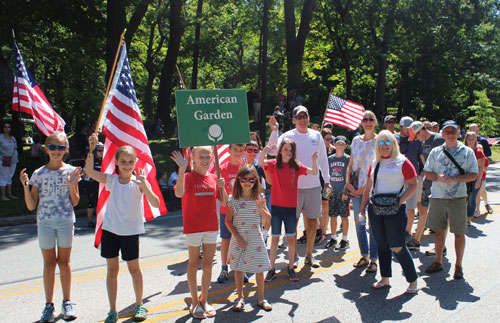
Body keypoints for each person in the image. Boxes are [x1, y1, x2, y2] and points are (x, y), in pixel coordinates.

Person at [85, 133, 160, 323]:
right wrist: (92, 149)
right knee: (112, 270)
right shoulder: (112, 180)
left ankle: (139, 304)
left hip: (130, 233)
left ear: (135, 162)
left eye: (131, 161)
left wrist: (145, 186)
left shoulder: (139, 182)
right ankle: (112, 310)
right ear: (117, 162)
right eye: (123, 161)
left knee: (135, 270)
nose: (127, 165)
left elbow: (156, 202)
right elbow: (89, 172)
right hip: (110, 232)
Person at [19, 132, 81, 322]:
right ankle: (48, 305)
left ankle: (67, 302)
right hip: (45, 222)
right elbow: (31, 205)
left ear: (66, 150)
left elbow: (75, 201)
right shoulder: (39, 173)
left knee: (64, 263)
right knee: (49, 264)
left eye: (61, 148)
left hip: (65, 221)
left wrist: (72, 184)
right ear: (46, 149)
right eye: (52, 147)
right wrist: (25, 185)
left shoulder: (71, 171)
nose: (57, 151)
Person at [268, 106, 330, 268]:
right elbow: (274, 152)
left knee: (311, 223)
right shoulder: (288, 136)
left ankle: (309, 255)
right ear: (294, 119)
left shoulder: (316, 135)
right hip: (292, 188)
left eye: (305, 116)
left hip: (313, 185)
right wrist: (275, 132)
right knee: (292, 224)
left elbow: (323, 159)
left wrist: (327, 180)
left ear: (308, 118)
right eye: (299, 117)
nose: (302, 119)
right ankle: (293, 255)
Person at [171, 147, 227, 319]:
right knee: (194, 264)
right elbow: (179, 193)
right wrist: (181, 170)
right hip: (194, 228)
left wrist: (222, 187)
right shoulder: (187, 177)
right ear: (193, 157)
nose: (204, 160)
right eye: (201, 156)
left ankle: (205, 300)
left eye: (207, 157)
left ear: (212, 159)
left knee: (208, 265)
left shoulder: (213, 178)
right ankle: (195, 302)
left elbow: (225, 202)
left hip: (211, 227)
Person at [360, 130, 419, 294]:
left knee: (398, 246)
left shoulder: (402, 161)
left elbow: (413, 184)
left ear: (393, 143)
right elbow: (368, 188)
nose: (384, 146)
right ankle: (385, 278)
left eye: (387, 142)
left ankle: (412, 280)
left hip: (395, 211)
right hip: (375, 209)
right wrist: (361, 210)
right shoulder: (375, 163)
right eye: (380, 142)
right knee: (382, 245)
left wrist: (399, 201)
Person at [423, 120, 478, 279]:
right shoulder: (435, 152)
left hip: (458, 197)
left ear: (458, 132)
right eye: (447, 131)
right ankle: (438, 262)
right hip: (438, 197)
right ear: (442, 133)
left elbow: (473, 174)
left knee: (459, 233)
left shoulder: (467, 152)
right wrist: (438, 177)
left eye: (453, 131)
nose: (450, 134)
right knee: (439, 231)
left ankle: (458, 266)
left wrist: (454, 179)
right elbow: (427, 172)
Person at [259, 139, 318, 282]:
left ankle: (291, 268)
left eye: (290, 151)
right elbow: (261, 162)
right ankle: (271, 268)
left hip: (291, 207)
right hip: (277, 207)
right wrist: (264, 152)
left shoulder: (296, 166)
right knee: (274, 239)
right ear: (280, 151)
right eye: (285, 149)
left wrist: (314, 160)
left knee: (291, 238)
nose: (288, 153)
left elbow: (314, 172)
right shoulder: (274, 164)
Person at [226, 165, 272, 312]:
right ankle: (240, 297)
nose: (247, 182)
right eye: (244, 179)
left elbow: (268, 220)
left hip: (256, 239)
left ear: (256, 181)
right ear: (238, 180)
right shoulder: (233, 200)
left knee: (259, 269)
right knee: (239, 269)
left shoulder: (258, 198)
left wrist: (261, 209)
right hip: (239, 239)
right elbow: (227, 221)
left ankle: (261, 298)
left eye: (251, 179)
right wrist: (237, 237)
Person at [346, 110, 378, 273]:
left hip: (373, 189)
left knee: (373, 225)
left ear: (375, 122)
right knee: (359, 223)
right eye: (364, 119)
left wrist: (363, 189)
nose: (367, 122)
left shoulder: (380, 141)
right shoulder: (356, 141)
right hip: (355, 187)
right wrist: (348, 184)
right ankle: (364, 255)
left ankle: (374, 259)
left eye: (370, 119)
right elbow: (351, 164)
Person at [406, 121, 446, 250]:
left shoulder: (438, 139)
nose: (416, 139)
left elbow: (446, 160)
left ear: (421, 131)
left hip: (440, 183)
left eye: (416, 136)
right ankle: (416, 240)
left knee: (438, 214)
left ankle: (441, 245)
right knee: (423, 210)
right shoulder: (422, 142)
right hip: (427, 182)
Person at [217, 144, 246, 283]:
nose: (238, 153)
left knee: (241, 239)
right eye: (235, 150)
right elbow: (222, 199)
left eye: (241, 150)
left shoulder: (245, 168)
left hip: (242, 211)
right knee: (226, 240)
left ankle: (241, 268)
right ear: (229, 150)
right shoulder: (221, 169)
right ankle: (224, 268)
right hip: (226, 211)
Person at [396, 117, 425, 244]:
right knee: (397, 205)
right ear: (400, 127)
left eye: (410, 127)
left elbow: (422, 159)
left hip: (413, 178)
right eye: (406, 127)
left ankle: (406, 233)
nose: (408, 130)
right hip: (397, 177)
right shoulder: (394, 140)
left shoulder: (417, 142)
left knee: (411, 207)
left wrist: (426, 172)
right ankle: (397, 231)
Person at [325, 136, 350, 249]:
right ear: (334, 145)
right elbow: (326, 175)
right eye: (338, 144)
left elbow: (350, 176)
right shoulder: (330, 159)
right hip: (332, 192)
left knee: (344, 216)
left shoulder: (348, 159)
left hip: (343, 192)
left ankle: (344, 239)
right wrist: (327, 191)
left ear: (345, 146)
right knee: (333, 216)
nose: (340, 146)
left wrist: (346, 191)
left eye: (342, 144)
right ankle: (333, 238)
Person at [469, 123, 493, 214]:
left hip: (480, 169)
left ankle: (485, 205)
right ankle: (473, 210)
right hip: (470, 171)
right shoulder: (467, 140)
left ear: (478, 130)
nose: (473, 131)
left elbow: (488, 153)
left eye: (475, 129)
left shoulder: (482, 140)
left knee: (481, 190)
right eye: (471, 129)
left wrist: (482, 162)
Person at [318, 128, 336, 245]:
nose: (329, 141)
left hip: (328, 182)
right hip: (316, 181)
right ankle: (318, 229)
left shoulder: (333, 151)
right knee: (317, 206)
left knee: (325, 205)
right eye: (327, 139)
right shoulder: (316, 149)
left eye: (331, 139)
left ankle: (324, 231)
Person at [464, 132, 485, 221]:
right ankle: (463, 216)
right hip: (464, 177)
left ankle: (468, 217)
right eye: (469, 139)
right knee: (464, 198)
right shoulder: (462, 150)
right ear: (466, 140)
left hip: (475, 178)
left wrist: (478, 180)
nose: (471, 141)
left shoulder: (479, 152)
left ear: (475, 140)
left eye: (473, 139)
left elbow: (481, 167)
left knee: (472, 198)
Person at [82, 142, 103, 227]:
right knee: (91, 202)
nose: (101, 152)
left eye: (103, 150)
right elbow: (84, 171)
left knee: (100, 202)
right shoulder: (91, 159)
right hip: (91, 183)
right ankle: (90, 221)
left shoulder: (104, 159)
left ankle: (100, 221)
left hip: (100, 183)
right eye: (99, 150)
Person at [0, 122, 19, 200]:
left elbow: (15, 149)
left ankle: (10, 194)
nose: (7, 129)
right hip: (3, 159)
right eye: (5, 127)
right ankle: (3, 195)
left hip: (12, 160)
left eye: (8, 127)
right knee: (3, 176)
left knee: (9, 176)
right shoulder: (0, 137)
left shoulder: (13, 138)